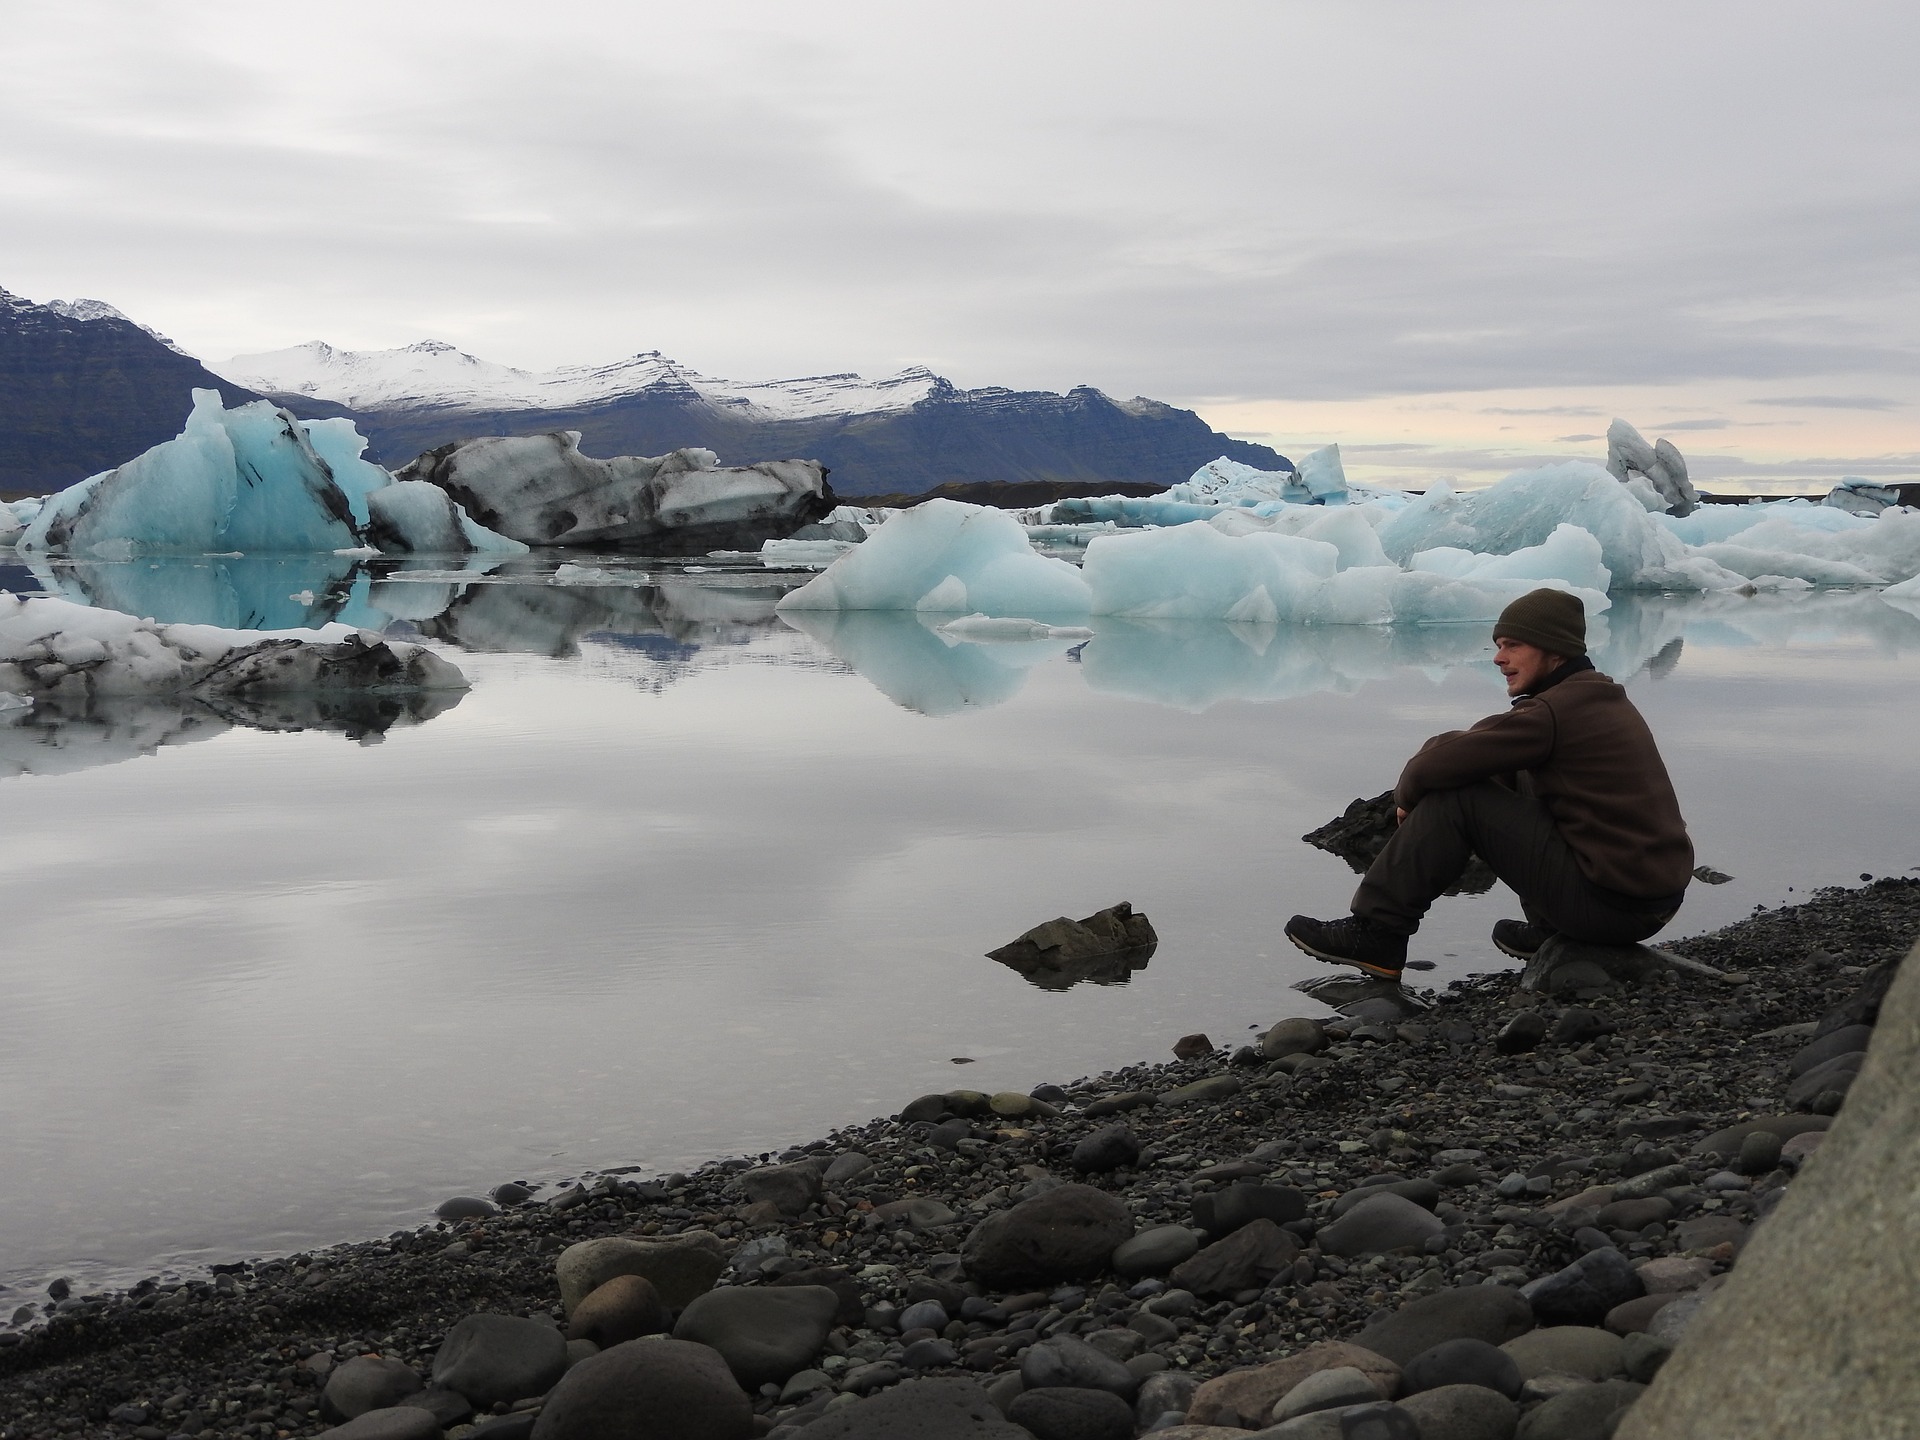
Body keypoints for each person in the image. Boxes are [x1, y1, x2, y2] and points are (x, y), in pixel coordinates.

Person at [1285, 588, 1693, 981]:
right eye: (1498, 645)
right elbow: (1473, 750)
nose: (1499, 658)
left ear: (1554, 649)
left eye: (1513, 645)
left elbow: (1432, 765)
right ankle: (1552, 928)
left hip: (1613, 908)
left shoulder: (1555, 712)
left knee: (1460, 795)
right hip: (1643, 902)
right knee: (1507, 772)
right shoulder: (1592, 697)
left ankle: (1377, 932)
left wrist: (1408, 799)